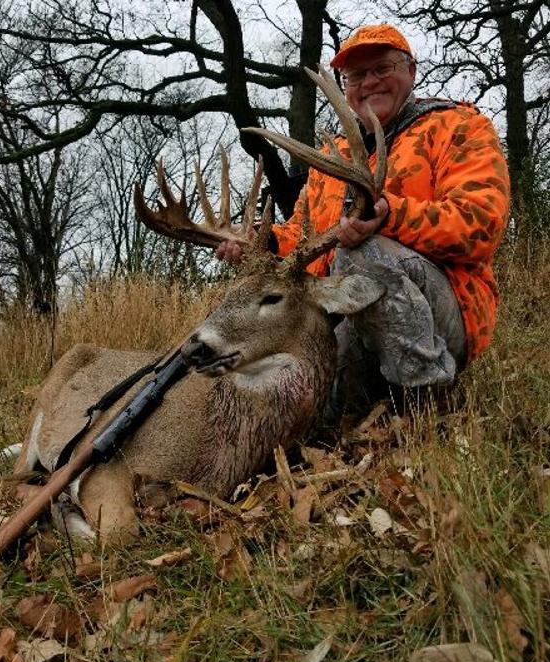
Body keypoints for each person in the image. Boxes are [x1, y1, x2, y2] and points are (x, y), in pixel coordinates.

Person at [218, 24, 510, 416]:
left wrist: (391, 216)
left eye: (382, 68)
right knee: (294, 400)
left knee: (363, 253)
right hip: (351, 311)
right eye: (355, 76)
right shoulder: (332, 157)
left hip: (446, 308)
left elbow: (481, 224)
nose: (368, 83)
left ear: (411, 70)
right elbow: (301, 236)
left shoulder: (456, 126)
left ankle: (430, 406)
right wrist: (262, 243)